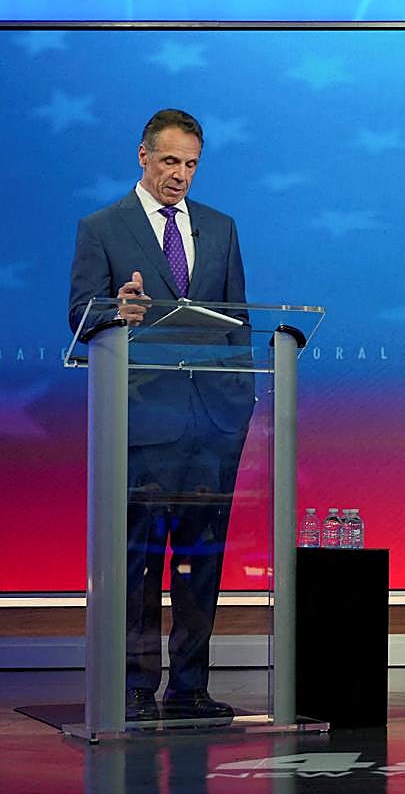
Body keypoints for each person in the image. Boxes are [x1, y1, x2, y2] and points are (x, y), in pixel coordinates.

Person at [68, 109, 255, 722]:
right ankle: (133, 687)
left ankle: (191, 687)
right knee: (139, 562)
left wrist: (240, 400)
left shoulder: (220, 228)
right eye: (170, 161)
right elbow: (79, 313)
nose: (181, 176)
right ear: (142, 156)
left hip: (213, 425)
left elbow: (237, 322)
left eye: (191, 164)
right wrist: (113, 310)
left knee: (201, 562)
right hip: (144, 421)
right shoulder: (103, 227)